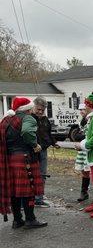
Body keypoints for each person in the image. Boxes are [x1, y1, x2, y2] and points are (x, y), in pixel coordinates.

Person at [0, 97, 48, 228]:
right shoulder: (27, 118)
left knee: (14, 191)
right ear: (28, 108)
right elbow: (27, 131)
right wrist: (34, 144)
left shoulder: (6, 120)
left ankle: (17, 220)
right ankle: (30, 219)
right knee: (29, 189)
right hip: (25, 158)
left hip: (10, 159)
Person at [32, 96, 60, 207]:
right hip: (32, 150)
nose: (40, 112)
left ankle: (39, 199)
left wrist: (54, 143)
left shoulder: (45, 120)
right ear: (34, 107)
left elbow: (48, 133)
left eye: (42, 110)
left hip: (43, 150)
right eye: (38, 109)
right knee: (32, 174)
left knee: (42, 174)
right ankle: (29, 198)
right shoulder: (29, 118)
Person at [73, 103, 91, 202]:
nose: (82, 112)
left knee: (92, 170)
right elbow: (79, 134)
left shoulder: (91, 120)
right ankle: (84, 192)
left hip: (89, 149)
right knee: (84, 171)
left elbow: (88, 135)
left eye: (83, 109)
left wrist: (81, 137)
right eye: (80, 110)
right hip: (82, 149)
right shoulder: (82, 121)